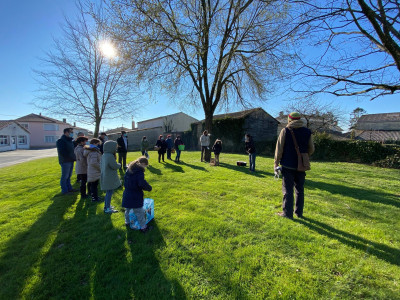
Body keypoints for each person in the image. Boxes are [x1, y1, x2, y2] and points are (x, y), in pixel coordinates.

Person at [274, 112, 315, 219]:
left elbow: (279, 149)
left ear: (289, 120)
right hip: (301, 166)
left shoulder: (285, 130)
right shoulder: (307, 132)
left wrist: (276, 163)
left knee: (287, 190)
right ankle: (299, 213)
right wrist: (303, 157)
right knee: (300, 190)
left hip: (288, 165)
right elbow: (311, 149)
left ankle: (287, 214)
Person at [122, 157, 152, 233]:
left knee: (127, 209)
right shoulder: (139, 172)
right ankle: (143, 227)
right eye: (145, 165)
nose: (145, 167)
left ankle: (127, 222)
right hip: (135, 194)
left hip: (127, 193)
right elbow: (141, 183)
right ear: (142, 164)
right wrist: (149, 187)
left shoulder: (129, 169)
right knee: (139, 212)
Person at [100, 140, 121, 213]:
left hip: (105, 175)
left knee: (108, 192)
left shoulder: (104, 155)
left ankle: (107, 206)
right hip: (109, 177)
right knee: (109, 193)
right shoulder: (110, 156)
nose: (115, 149)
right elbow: (114, 166)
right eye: (115, 147)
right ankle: (107, 208)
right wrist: (119, 164)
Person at [56, 127, 77, 194]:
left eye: (72, 132)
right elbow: (62, 151)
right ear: (66, 132)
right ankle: (65, 190)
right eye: (70, 132)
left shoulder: (70, 141)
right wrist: (70, 157)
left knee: (69, 176)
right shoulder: (61, 141)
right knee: (65, 176)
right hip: (65, 161)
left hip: (71, 160)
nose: (72, 134)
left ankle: (69, 188)